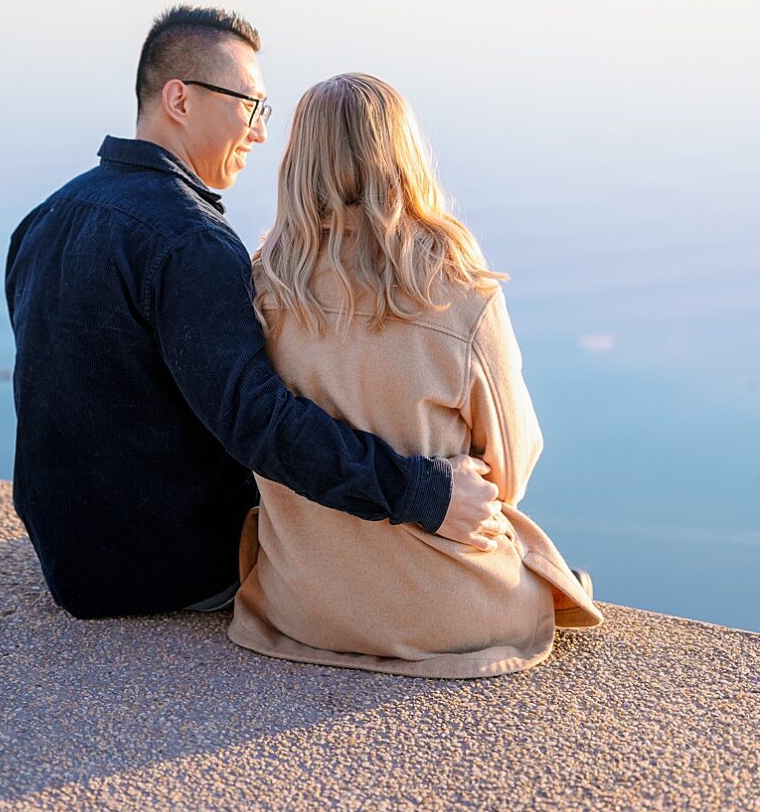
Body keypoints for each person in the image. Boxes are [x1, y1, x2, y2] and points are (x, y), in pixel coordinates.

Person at [6, 4, 505, 618]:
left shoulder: (47, 216)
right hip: (172, 567)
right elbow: (256, 420)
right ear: (179, 100)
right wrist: (421, 493)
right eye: (250, 106)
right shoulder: (190, 242)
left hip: (67, 556)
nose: (262, 133)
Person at [230, 74, 602, 677]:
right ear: (403, 154)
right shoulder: (458, 290)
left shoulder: (263, 286)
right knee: (537, 562)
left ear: (299, 161)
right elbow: (513, 464)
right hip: (452, 616)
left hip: (302, 608)